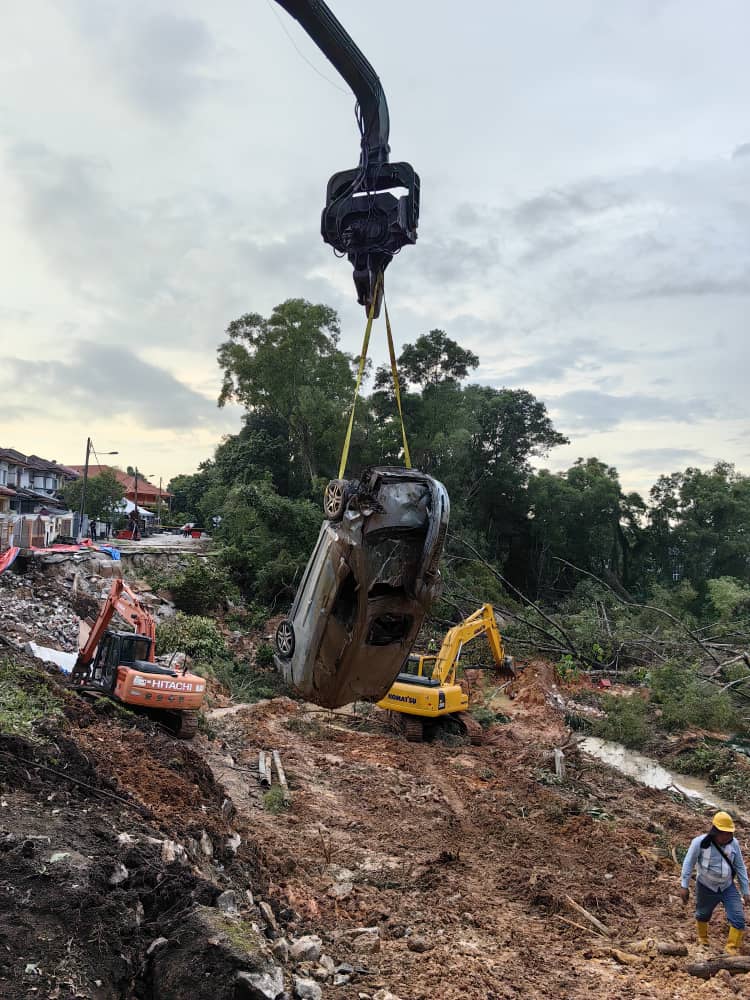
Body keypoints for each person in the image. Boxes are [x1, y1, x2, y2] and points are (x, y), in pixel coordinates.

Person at [680, 811, 750, 954]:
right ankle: (703, 940)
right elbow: (688, 863)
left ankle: (731, 950)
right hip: (706, 886)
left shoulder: (734, 844)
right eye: (725, 833)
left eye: (730, 833)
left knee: (738, 918)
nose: (728, 836)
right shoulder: (699, 843)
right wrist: (684, 886)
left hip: (727, 886)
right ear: (715, 831)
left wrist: (746, 891)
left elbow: (740, 867)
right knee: (702, 914)